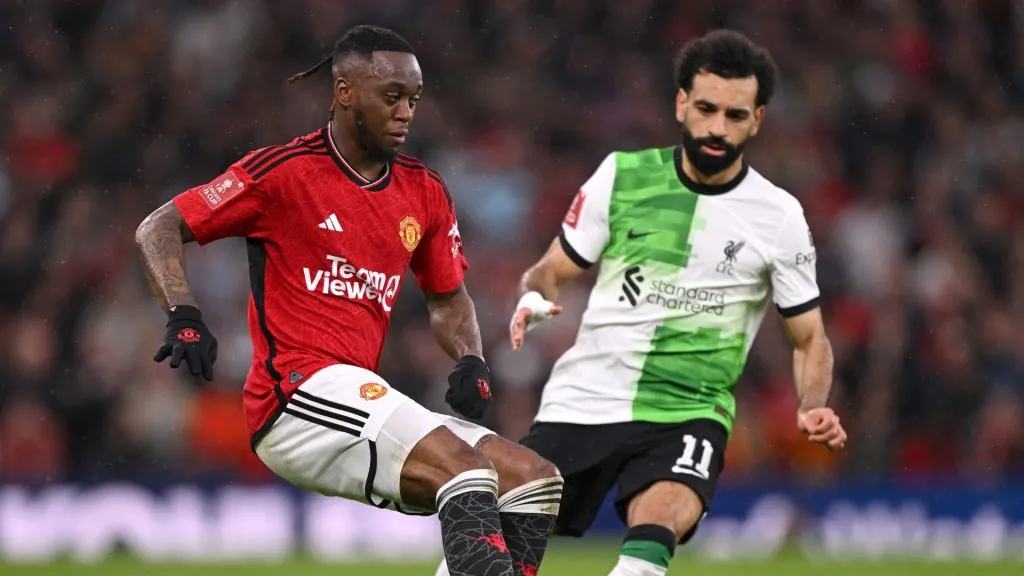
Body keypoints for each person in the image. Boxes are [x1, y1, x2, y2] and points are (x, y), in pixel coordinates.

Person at [135, 25, 562, 576]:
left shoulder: (424, 191)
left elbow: (448, 298)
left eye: (413, 99)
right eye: (392, 97)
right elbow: (158, 228)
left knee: (534, 480)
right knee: (466, 471)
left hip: (362, 396)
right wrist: (184, 315)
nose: (406, 112)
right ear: (343, 92)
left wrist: (470, 357)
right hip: (293, 398)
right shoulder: (284, 173)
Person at [507, 29, 847, 576]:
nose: (717, 128)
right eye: (707, 108)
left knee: (659, 521)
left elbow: (810, 338)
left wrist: (811, 405)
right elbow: (551, 269)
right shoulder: (621, 176)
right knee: (500, 538)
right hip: (587, 396)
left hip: (689, 409)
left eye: (736, 115)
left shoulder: (779, 216)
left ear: (757, 120)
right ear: (681, 103)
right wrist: (534, 296)